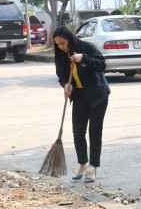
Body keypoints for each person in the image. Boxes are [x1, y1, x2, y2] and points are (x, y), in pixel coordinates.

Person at [53, 25, 110, 183]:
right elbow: (62, 75)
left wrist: (83, 58)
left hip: (98, 95)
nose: (61, 47)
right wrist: (65, 84)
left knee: (94, 132)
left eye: (63, 43)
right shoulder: (61, 55)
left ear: (70, 39)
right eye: (57, 44)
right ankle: (82, 165)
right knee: (78, 132)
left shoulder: (87, 47)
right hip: (79, 96)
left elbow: (102, 64)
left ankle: (92, 168)